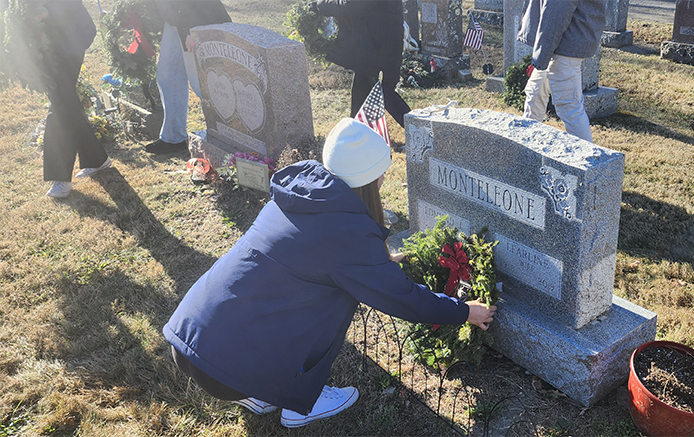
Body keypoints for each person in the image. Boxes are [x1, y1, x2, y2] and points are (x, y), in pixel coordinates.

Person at [163, 118, 496, 428]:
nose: (383, 180)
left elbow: (319, 255)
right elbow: (402, 299)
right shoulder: (347, 233)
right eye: (381, 173)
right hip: (222, 371)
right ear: (370, 179)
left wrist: (379, 262)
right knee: (335, 298)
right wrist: (464, 311)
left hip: (191, 339)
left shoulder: (300, 193)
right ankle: (298, 401)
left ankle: (261, 390)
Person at [36, 0, 113, 198]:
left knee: (60, 105)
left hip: (69, 40)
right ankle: (97, 159)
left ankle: (60, 177)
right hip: (46, 47)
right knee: (65, 103)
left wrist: (47, 12)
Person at [144, 0, 231, 154]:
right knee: (168, 76)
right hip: (175, 21)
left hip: (197, 20)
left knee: (201, 82)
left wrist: (191, 30)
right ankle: (173, 137)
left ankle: (224, 139)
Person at [309, 0, 411, 128]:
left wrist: (320, 5)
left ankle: (421, 134)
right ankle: (357, 132)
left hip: (378, 45)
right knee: (363, 85)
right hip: (378, 42)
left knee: (385, 92)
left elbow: (351, 6)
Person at [516, 0, 606, 143]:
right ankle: (526, 145)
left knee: (569, 107)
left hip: (564, 45)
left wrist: (540, 58)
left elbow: (554, 16)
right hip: (563, 42)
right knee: (535, 92)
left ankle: (585, 161)